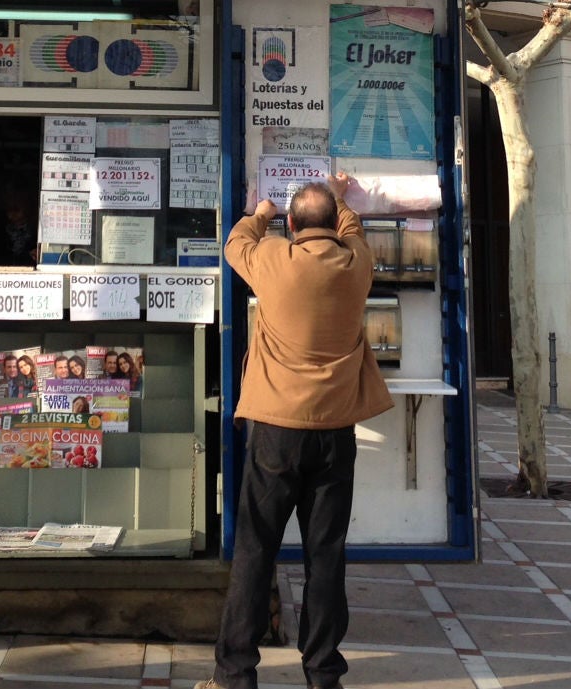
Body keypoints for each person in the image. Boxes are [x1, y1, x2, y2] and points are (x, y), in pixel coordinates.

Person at [195, 174, 393, 689]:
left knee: (255, 551)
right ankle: (323, 675)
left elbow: (235, 241)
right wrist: (339, 194)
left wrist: (260, 212)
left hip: (276, 433)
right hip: (335, 433)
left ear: (290, 224)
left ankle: (235, 674)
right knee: (325, 556)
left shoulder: (273, 259)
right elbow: (350, 228)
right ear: (333, 224)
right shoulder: (356, 264)